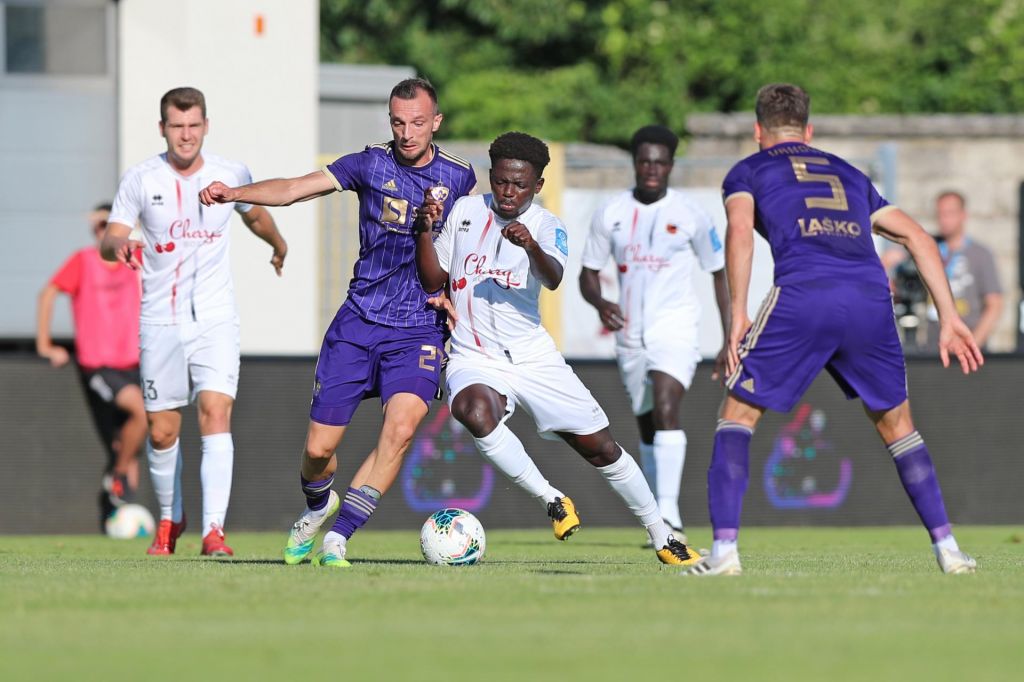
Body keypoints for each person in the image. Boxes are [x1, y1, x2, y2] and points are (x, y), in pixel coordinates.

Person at [684, 83, 983, 577]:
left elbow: (740, 231)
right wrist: (950, 318)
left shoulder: (749, 170)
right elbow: (917, 236)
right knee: (898, 427)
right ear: (810, 130)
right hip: (869, 300)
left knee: (737, 414)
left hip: (805, 295)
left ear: (758, 131)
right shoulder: (850, 173)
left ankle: (724, 553)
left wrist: (737, 316)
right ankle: (949, 549)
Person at [199, 78, 476, 568]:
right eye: (398, 121)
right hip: (358, 322)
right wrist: (233, 193)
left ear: (436, 122)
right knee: (317, 451)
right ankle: (317, 505)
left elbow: (477, 245)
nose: (407, 132)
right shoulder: (369, 163)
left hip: (418, 327)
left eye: (417, 122)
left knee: (402, 428)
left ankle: (339, 537)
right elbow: (292, 189)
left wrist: (461, 298)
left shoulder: (461, 179)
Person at [414, 131, 701, 566]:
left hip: (533, 357)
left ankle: (662, 534)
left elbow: (552, 278)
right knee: (472, 411)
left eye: (520, 184)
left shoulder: (548, 226)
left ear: (538, 186)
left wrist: (529, 245)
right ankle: (552, 499)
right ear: (492, 176)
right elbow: (434, 279)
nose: (509, 192)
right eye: (502, 181)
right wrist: (424, 231)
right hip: (474, 355)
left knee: (601, 448)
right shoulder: (466, 211)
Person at [101, 87, 288, 557]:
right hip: (160, 320)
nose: (185, 135)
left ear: (206, 126)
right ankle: (169, 518)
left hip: (215, 319)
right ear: (162, 128)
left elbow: (256, 215)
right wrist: (118, 246)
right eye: (176, 126)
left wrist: (278, 245)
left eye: (193, 125)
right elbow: (112, 235)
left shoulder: (231, 173)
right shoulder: (141, 179)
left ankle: (213, 531)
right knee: (163, 430)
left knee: (215, 413)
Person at [579, 125, 729, 541]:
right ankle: (655, 515)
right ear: (635, 162)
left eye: (660, 162)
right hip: (630, 333)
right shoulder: (610, 213)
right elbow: (587, 275)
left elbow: (719, 273)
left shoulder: (691, 215)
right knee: (646, 423)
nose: (651, 169)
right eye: (644, 161)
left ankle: (669, 515)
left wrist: (730, 334)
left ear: (671, 166)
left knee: (666, 406)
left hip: (676, 327)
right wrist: (600, 303)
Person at [37, 203, 147, 521]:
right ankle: (118, 476)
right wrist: (45, 345)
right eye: (100, 227)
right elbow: (48, 294)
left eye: (110, 226)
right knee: (140, 413)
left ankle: (120, 515)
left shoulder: (135, 260)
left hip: (134, 363)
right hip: (98, 366)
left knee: (128, 440)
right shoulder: (83, 261)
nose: (105, 233)